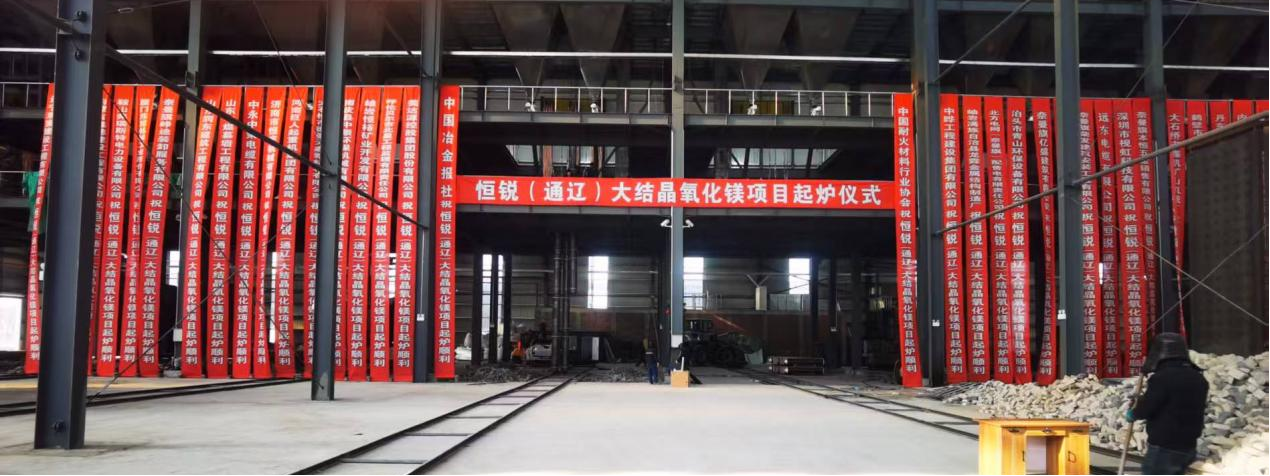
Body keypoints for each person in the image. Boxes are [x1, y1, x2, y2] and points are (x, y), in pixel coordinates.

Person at [1128, 332, 1208, 475]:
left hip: (1164, 446)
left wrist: (1134, 412)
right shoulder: (1198, 378)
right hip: (1188, 446)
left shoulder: (1161, 378)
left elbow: (1149, 407)